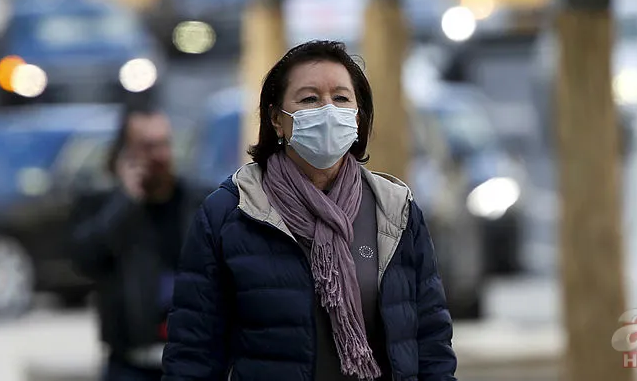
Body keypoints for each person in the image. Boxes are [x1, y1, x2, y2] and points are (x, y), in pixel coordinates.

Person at [162, 40, 457, 381]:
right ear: (276, 119)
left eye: (341, 98)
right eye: (310, 99)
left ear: (358, 115)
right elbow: (193, 352)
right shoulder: (232, 212)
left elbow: (431, 341)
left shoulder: (394, 209)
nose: (328, 110)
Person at [69, 105, 212, 381]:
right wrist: (125, 202)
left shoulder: (197, 202)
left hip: (192, 360)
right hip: (130, 363)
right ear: (124, 154)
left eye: (164, 144)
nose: (160, 155)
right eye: (148, 146)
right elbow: (84, 261)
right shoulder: (102, 206)